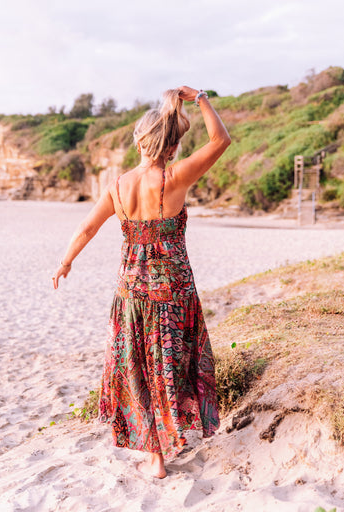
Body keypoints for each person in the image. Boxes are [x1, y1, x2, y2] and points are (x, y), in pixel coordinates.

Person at [53, 86, 231, 479]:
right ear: (171, 145)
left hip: (131, 293)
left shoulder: (118, 186)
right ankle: (174, 437)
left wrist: (65, 262)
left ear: (138, 141)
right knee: (169, 366)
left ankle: (155, 456)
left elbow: (87, 227)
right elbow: (221, 140)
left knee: (140, 370)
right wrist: (199, 97)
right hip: (173, 292)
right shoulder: (176, 176)